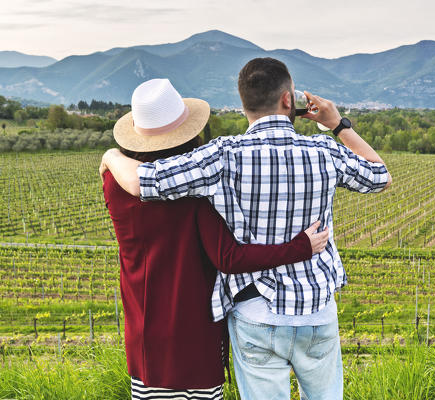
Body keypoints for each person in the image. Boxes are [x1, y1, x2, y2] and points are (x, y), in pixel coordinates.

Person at [101, 57, 392, 400]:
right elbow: (380, 176)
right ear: (289, 100)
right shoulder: (325, 150)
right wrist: (338, 124)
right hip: (317, 311)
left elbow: (143, 181)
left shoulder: (223, 155)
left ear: (243, 105)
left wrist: (110, 156)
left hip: (256, 312)